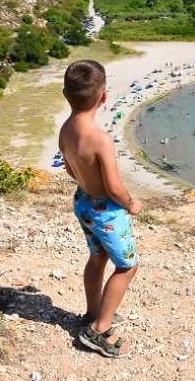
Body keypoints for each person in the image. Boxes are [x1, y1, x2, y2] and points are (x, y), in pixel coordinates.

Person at [59, 60, 142, 359]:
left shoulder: (66, 129)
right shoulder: (101, 140)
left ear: (65, 94)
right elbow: (114, 187)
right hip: (107, 212)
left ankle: (92, 312)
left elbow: (70, 169)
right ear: (104, 97)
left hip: (83, 202)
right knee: (127, 266)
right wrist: (131, 204)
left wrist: (87, 184)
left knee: (97, 257)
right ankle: (99, 329)